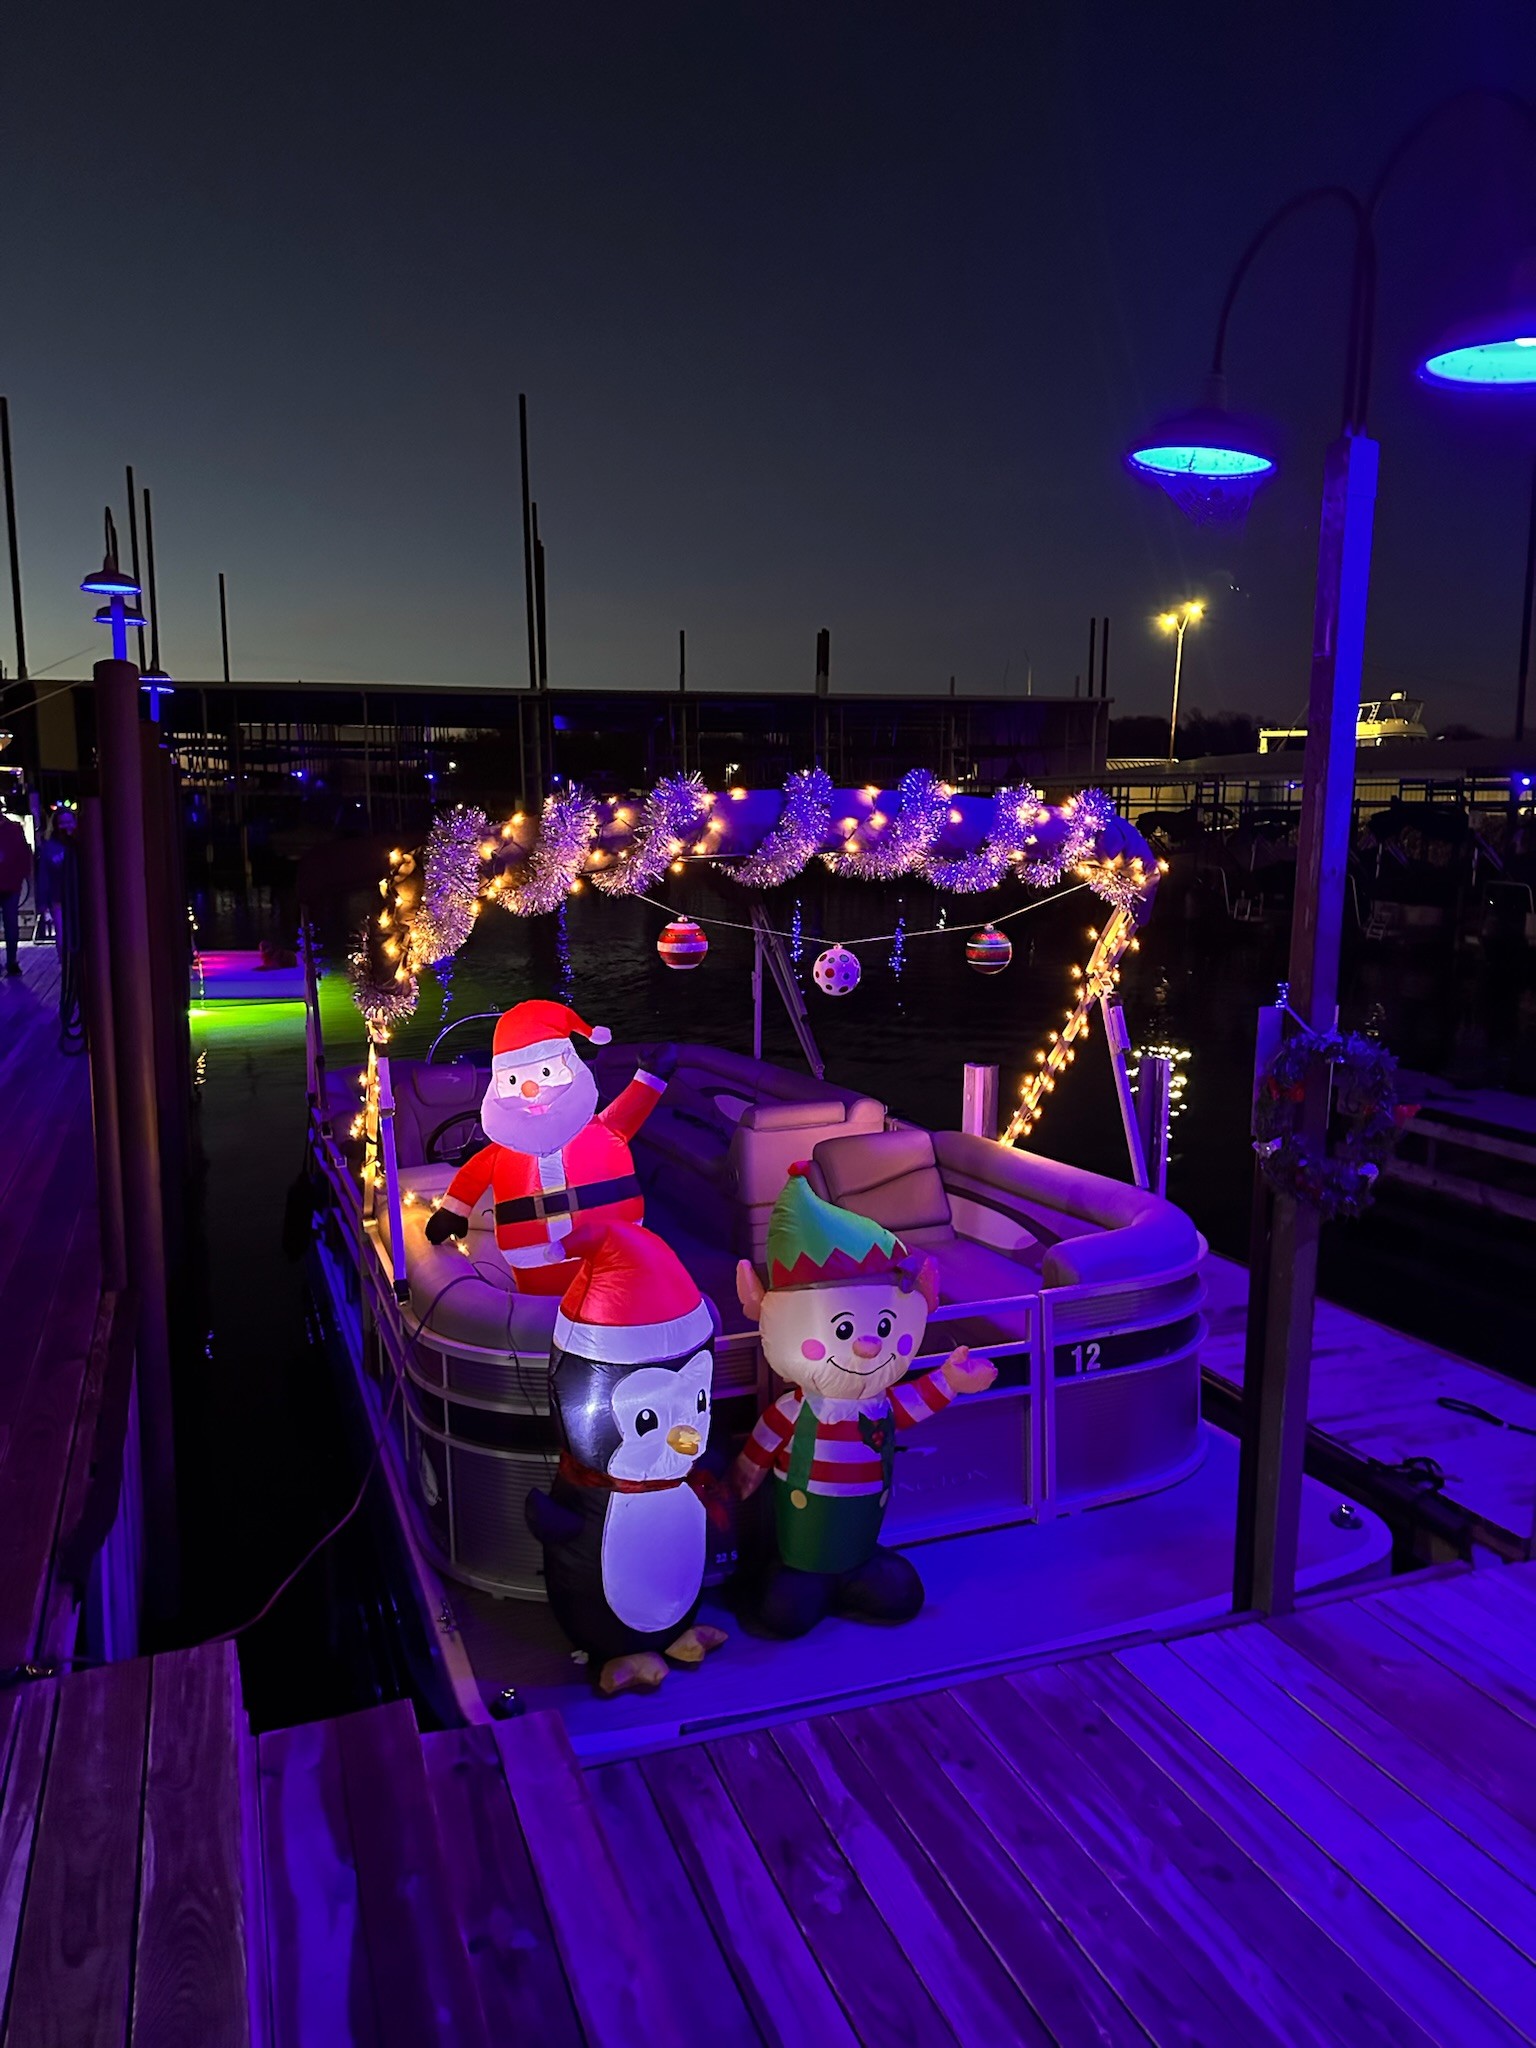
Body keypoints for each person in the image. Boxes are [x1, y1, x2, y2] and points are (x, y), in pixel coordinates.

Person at [0, 806, 31, 976]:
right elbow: (25, 855)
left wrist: (21, 874)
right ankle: (11, 962)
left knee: (11, 924)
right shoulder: (14, 829)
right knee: (11, 923)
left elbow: (24, 855)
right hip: (12, 883)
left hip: (11, 883)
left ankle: (11, 961)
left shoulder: (14, 829)